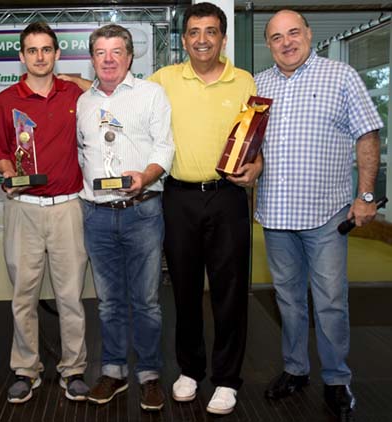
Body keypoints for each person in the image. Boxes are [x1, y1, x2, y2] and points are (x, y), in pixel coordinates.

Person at [256, 10, 382, 420]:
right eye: (277, 37)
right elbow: (250, 147)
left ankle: (336, 379)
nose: (286, 42)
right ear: (268, 44)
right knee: (289, 300)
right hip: (276, 215)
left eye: (293, 33)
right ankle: (295, 370)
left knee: (330, 302)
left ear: (308, 34)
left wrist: (366, 195)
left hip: (327, 214)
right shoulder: (259, 86)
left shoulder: (341, 75)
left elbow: (367, 135)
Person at [148, 3, 258, 415]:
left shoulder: (244, 81)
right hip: (178, 197)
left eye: (210, 32)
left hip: (228, 197)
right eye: (193, 32)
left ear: (223, 38)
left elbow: (254, 142)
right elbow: (124, 97)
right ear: (183, 39)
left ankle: (227, 379)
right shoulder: (163, 80)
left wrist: (256, 166)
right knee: (185, 288)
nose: (201, 40)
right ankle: (191, 370)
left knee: (230, 292)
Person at [77, 24, 174, 412]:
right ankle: (114, 372)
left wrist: (145, 175)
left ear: (130, 57)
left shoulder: (152, 94)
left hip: (143, 212)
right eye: (101, 53)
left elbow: (165, 145)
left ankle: (149, 375)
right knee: (109, 303)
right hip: (97, 214)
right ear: (93, 58)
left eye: (117, 52)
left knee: (147, 301)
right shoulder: (84, 103)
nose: (109, 59)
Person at [0, 22, 89, 404]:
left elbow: (106, 97)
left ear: (57, 54)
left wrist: (80, 82)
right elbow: (0, 152)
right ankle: (26, 369)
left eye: (46, 50)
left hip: (67, 206)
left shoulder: (76, 95)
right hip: (24, 208)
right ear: (21, 56)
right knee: (23, 295)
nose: (39, 57)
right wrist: (7, 171)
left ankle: (74, 368)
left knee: (70, 296)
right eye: (32, 51)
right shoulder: (5, 100)